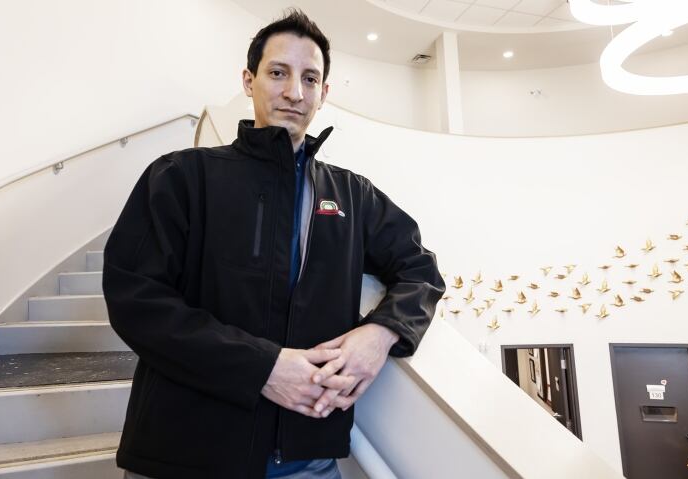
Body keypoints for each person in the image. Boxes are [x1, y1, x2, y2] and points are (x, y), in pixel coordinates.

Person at [103, 9, 444, 479]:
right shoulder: (182, 175)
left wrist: (381, 333)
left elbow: (421, 270)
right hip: (184, 454)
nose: (293, 92)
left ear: (324, 94)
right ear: (249, 80)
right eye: (278, 73)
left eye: (310, 78)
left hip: (307, 458)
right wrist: (262, 368)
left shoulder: (352, 195)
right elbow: (135, 300)